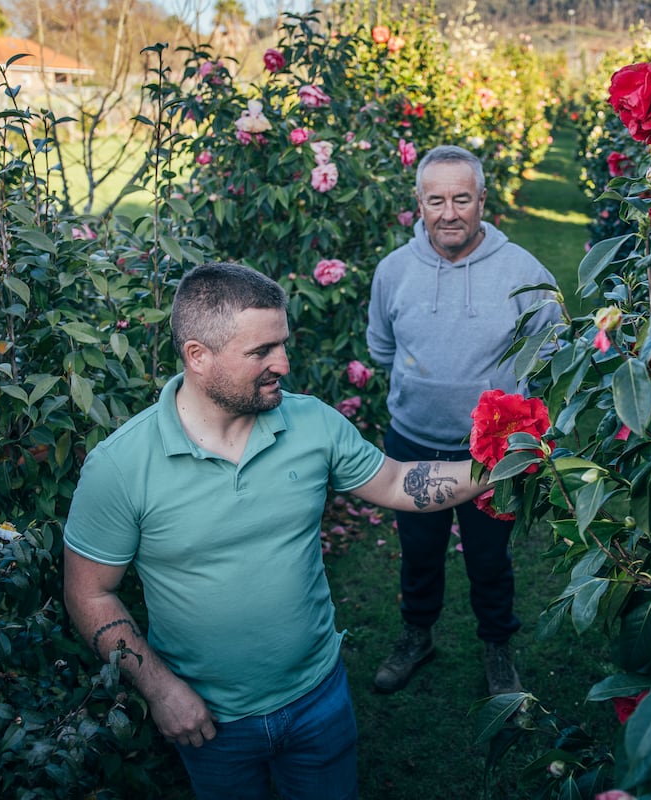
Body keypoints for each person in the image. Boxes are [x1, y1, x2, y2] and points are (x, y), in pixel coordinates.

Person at [63, 261, 491, 800]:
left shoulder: (312, 424)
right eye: (261, 351)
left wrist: (497, 468)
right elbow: (89, 593)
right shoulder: (121, 466)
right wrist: (161, 689)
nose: (283, 364)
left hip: (319, 697)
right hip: (207, 717)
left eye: (282, 344)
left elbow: (397, 481)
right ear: (198, 355)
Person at [366, 144, 560, 696]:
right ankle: (416, 635)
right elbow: (382, 348)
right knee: (419, 552)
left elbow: (551, 348)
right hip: (414, 444)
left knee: (489, 557)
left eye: (461, 199)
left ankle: (497, 646)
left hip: (491, 452)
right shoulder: (393, 271)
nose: (448, 213)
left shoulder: (522, 270)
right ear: (418, 204)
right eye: (436, 201)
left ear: (482, 200)